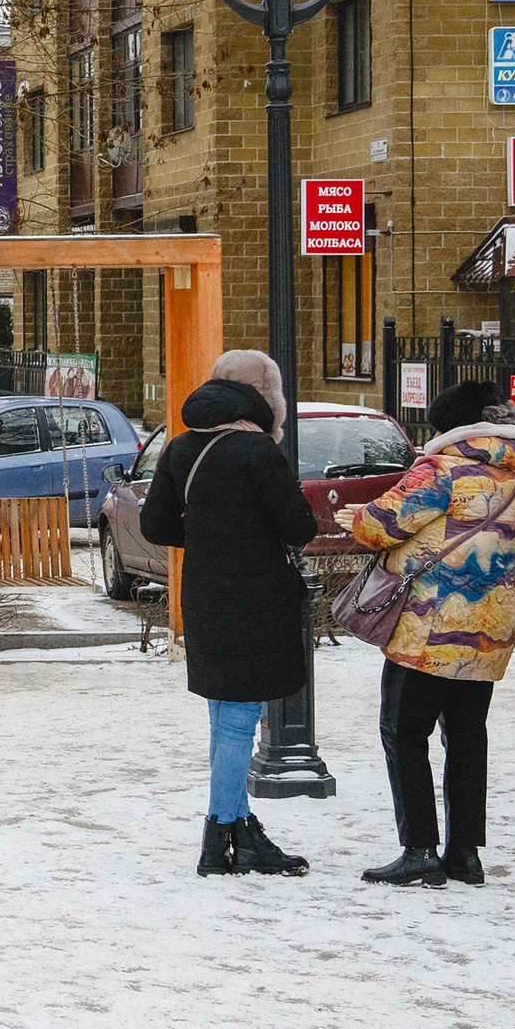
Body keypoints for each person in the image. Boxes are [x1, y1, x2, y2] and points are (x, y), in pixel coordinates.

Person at [338, 379, 515, 888]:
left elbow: (381, 525)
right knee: (467, 738)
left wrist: (355, 518)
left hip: (429, 632)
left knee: (404, 734)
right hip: (488, 633)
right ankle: (465, 854)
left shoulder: (441, 469)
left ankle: (420, 848)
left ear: (449, 427)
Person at [138, 349, 318, 877]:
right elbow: (299, 527)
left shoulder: (180, 449)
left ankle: (241, 828)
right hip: (256, 597)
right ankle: (218, 835)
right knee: (241, 717)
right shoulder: (258, 452)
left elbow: (155, 525)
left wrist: (206, 539)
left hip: (203, 592)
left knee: (225, 714)